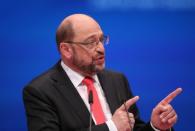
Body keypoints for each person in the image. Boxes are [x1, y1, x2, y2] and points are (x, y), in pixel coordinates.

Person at [23, 14, 182, 131]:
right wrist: (111, 127)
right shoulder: (40, 91)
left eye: (101, 39)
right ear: (66, 50)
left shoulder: (117, 80)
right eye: (91, 42)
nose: (101, 48)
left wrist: (156, 127)